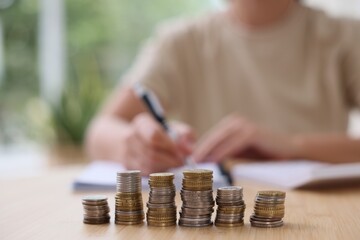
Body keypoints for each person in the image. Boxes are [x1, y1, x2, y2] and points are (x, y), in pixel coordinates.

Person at [85, 0, 360, 175]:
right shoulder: (181, 42)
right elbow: (100, 129)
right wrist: (134, 146)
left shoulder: (345, 37)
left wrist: (295, 146)